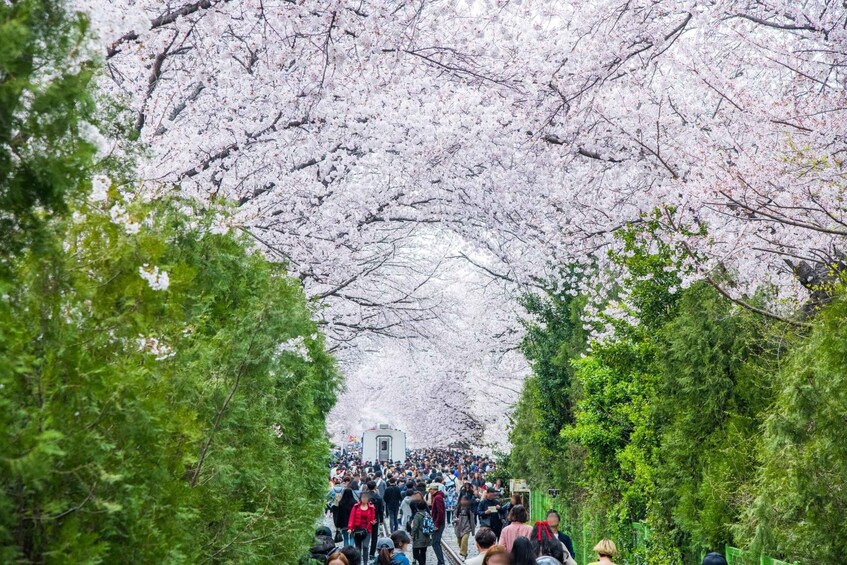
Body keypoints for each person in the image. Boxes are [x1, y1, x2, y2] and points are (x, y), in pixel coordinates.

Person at [348, 490, 377, 557]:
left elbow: (372, 518)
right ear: (360, 498)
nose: (364, 499)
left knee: (365, 546)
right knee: (358, 547)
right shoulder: (356, 506)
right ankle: (358, 561)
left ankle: (365, 562)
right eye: (363, 497)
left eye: (366, 498)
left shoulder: (371, 508)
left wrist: (373, 522)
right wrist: (350, 528)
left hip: (367, 529)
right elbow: (351, 517)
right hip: (357, 529)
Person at [429, 483, 447, 565]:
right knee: (436, 542)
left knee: (435, 543)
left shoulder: (438, 498)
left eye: (430, 490)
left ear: (434, 490)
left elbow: (440, 512)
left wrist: (436, 524)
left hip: (438, 523)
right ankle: (440, 561)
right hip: (438, 522)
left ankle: (441, 561)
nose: (429, 491)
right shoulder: (437, 497)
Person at [410, 500, 432, 565]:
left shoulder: (417, 515)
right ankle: (423, 563)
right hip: (426, 536)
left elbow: (415, 526)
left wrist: (412, 534)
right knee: (423, 552)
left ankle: (422, 563)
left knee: (415, 553)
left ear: (417, 507)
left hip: (418, 537)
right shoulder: (427, 514)